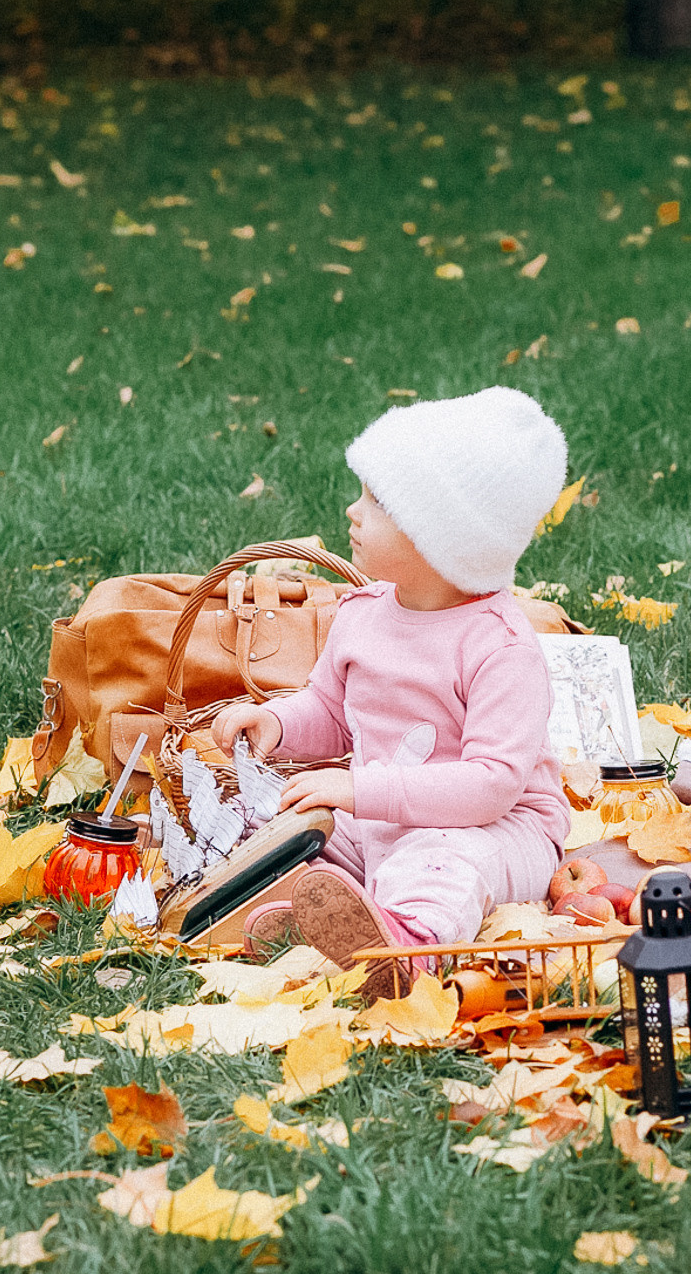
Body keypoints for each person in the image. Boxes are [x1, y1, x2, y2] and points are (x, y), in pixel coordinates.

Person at [211, 387, 571, 996]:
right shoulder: (361, 614)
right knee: (297, 829)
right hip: (381, 820)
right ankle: (320, 918)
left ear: (442, 538)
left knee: (445, 861)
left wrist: (362, 789)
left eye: (376, 501)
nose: (352, 511)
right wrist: (276, 724)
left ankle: (409, 948)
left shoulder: (501, 647)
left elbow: (490, 785)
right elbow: (329, 709)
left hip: (498, 832)